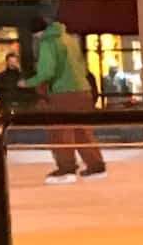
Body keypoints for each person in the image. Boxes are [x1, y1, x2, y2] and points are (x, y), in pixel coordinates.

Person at [27, 16, 106, 182]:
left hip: (62, 92)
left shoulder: (48, 43)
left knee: (59, 130)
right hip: (83, 90)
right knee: (81, 129)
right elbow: (81, 66)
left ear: (38, 33)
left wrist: (29, 83)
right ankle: (96, 165)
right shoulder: (69, 39)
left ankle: (66, 169)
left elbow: (47, 72)